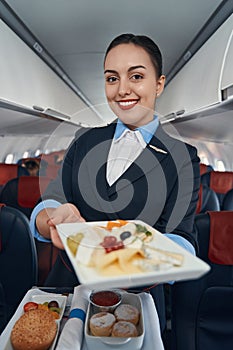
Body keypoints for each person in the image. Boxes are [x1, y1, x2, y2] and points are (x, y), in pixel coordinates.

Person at [30, 33, 200, 335]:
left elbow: (183, 242)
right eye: (112, 78)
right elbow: (52, 201)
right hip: (68, 286)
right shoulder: (85, 141)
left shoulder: (182, 158)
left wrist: (126, 253)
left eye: (136, 76)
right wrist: (50, 219)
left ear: (158, 84)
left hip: (137, 298)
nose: (122, 90)